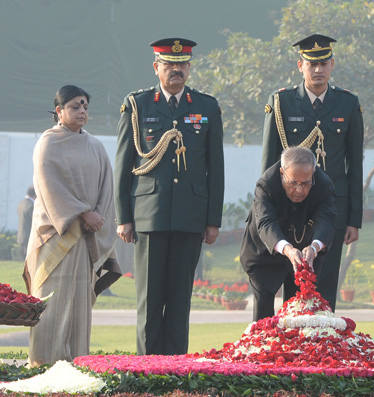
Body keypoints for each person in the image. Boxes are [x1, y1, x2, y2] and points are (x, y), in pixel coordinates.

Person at [114, 38, 224, 355]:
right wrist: (124, 217)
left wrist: (212, 220)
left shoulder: (206, 107)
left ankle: (176, 367)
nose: (176, 70)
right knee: (149, 300)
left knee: (179, 299)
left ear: (189, 68)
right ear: (156, 68)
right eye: (169, 65)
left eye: (182, 65)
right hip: (149, 214)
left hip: (190, 215)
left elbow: (215, 168)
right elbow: (124, 165)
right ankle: (148, 369)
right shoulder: (138, 106)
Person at [261, 34, 363, 311]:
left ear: (332, 65)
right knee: (293, 278)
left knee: (326, 280)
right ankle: (292, 346)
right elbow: (270, 163)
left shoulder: (347, 103)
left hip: (330, 207)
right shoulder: (282, 103)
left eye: (323, 63)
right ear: (300, 66)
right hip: (292, 205)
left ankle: (326, 346)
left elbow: (354, 165)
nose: (317, 70)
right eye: (311, 64)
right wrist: (269, 207)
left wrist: (353, 219)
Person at [23, 85, 121, 367]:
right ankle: (43, 364)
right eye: (75, 106)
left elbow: (106, 186)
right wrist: (82, 213)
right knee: (51, 301)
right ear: (59, 111)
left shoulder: (95, 145)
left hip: (86, 239)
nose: (82, 112)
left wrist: (98, 217)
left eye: (86, 107)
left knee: (80, 302)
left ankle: (77, 363)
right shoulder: (48, 143)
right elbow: (50, 187)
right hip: (56, 235)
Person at [241, 147, 336, 321]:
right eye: (293, 183)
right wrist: (287, 249)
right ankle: (263, 346)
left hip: (305, 253)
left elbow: (326, 220)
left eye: (306, 183)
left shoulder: (323, 184)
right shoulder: (266, 183)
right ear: (282, 172)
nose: (299, 190)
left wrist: (314, 247)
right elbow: (265, 222)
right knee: (264, 311)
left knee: (299, 312)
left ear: (313, 173)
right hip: (265, 249)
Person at [16, 186, 36, 260]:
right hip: (28, 237)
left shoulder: (21, 203)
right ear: (35, 194)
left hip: (21, 237)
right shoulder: (31, 206)